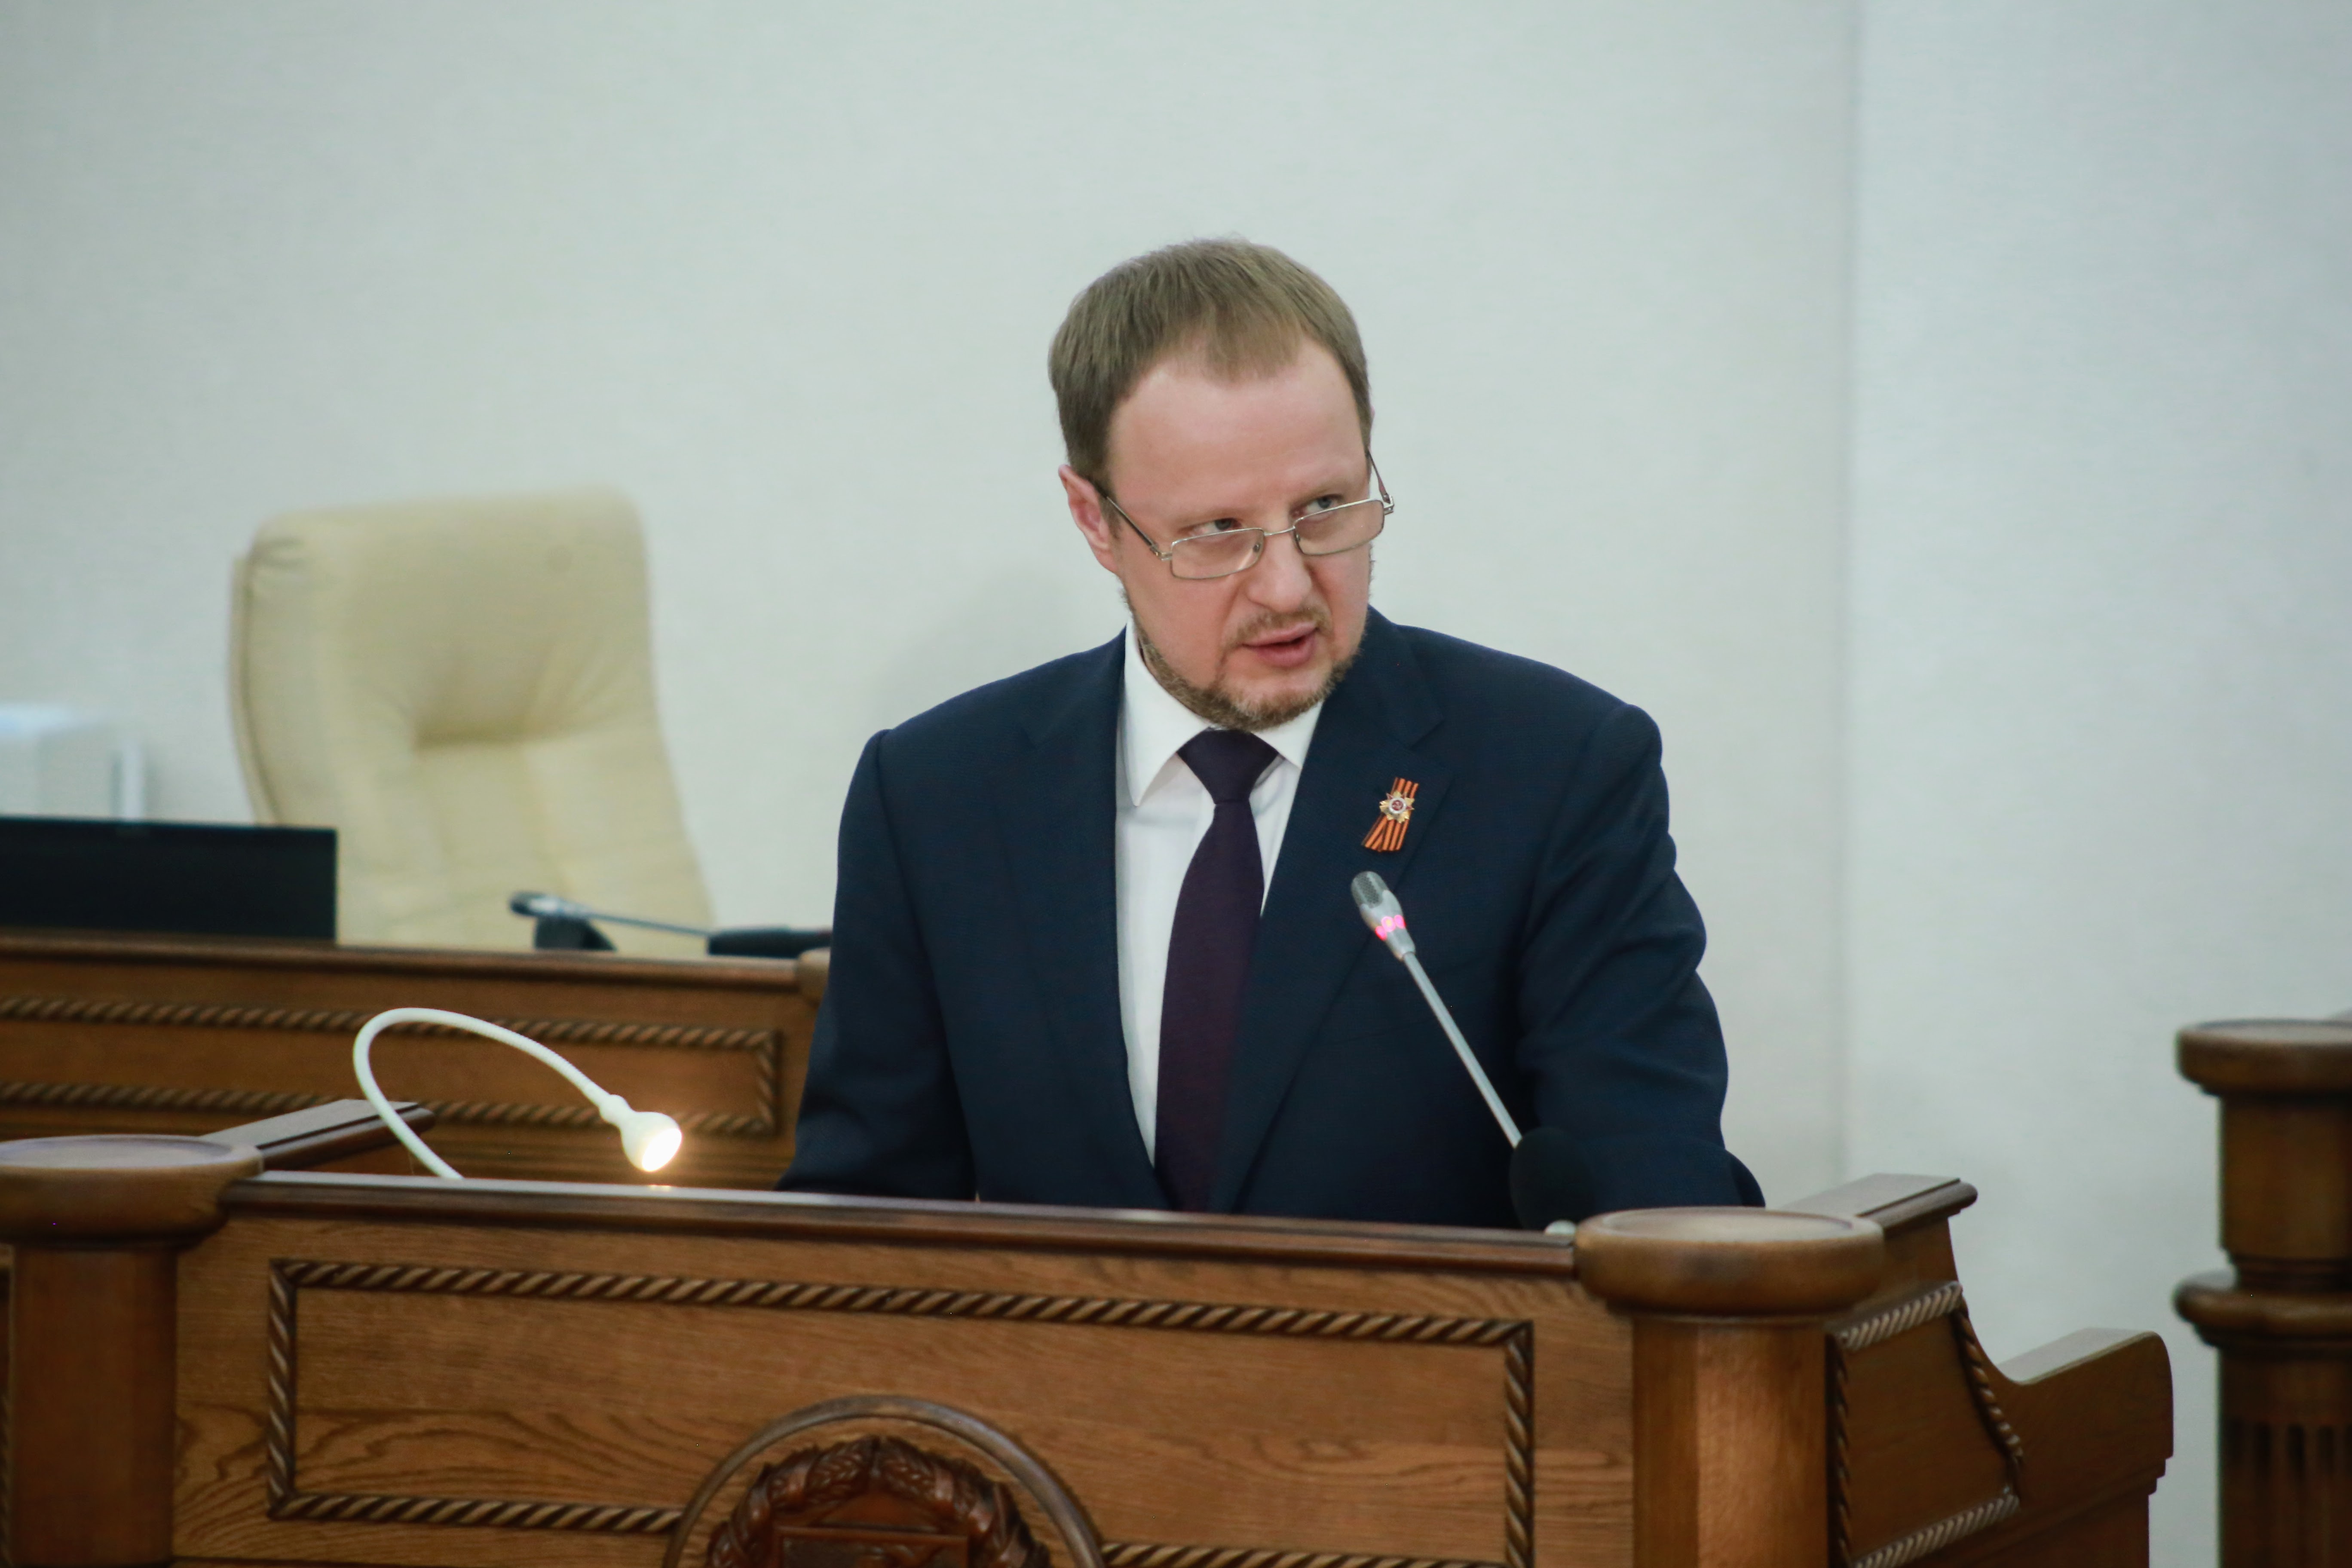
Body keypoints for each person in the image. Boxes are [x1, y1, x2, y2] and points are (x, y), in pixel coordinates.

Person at [780, 239, 1759, 1227]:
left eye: (1326, 508)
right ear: (1095, 521)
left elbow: (1655, 1198)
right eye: (1218, 532)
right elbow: (856, 1228)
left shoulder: (1554, 772)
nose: (1288, 588)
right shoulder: (939, 797)